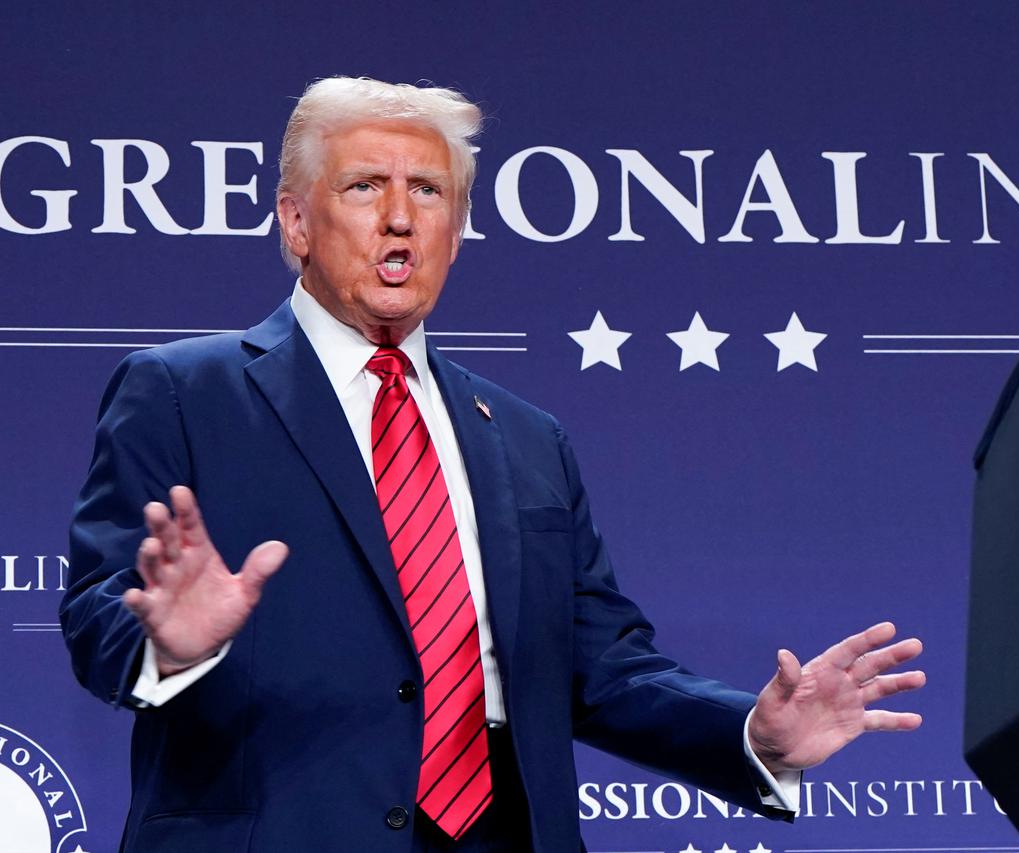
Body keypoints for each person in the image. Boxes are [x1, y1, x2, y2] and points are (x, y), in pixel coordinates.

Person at [60, 77, 925, 853]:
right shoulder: (181, 389)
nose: (400, 217)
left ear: (456, 231)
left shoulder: (523, 435)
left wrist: (753, 735)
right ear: (295, 221)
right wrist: (166, 645)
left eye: (428, 192)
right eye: (366, 187)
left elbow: (606, 668)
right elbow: (100, 615)